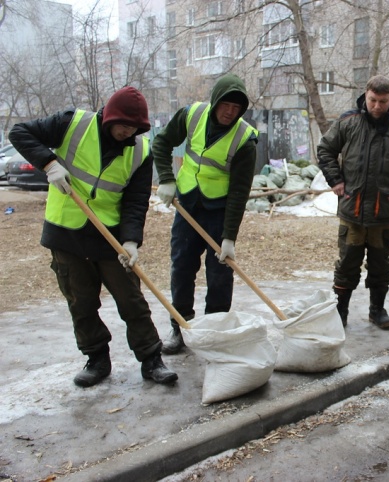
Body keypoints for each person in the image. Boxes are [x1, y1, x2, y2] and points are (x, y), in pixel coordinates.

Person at [8, 86, 178, 387]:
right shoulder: (71, 124)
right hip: (66, 233)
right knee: (81, 302)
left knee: (132, 300)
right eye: (123, 125)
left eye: (134, 128)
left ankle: (151, 359)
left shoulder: (140, 151)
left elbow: (136, 200)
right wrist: (49, 164)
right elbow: (19, 133)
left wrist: (130, 241)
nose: (127, 132)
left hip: (109, 237)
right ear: (109, 117)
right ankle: (96, 358)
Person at [152, 73, 258, 354]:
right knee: (182, 267)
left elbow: (239, 191)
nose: (230, 113)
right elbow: (161, 143)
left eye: (237, 109)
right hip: (187, 206)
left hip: (219, 212)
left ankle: (215, 331)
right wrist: (166, 179)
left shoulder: (245, 139)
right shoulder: (192, 115)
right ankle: (181, 328)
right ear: (215, 101)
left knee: (220, 275)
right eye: (226, 105)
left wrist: (229, 237)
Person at [317, 75, 389, 330]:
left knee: (381, 264)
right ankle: (341, 313)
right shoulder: (349, 122)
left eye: (382, 101)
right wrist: (335, 180)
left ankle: (377, 311)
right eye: (372, 100)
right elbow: (325, 149)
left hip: (385, 211)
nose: (377, 106)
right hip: (352, 210)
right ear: (365, 95)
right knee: (347, 263)